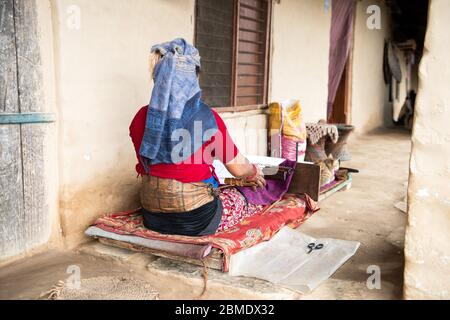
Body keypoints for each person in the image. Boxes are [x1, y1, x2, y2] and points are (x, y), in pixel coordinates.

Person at [129, 39, 266, 237]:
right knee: (247, 197)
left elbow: (150, 164)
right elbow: (238, 169)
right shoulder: (206, 118)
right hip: (197, 221)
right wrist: (253, 173)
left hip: (152, 218)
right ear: (191, 79)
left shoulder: (141, 117)